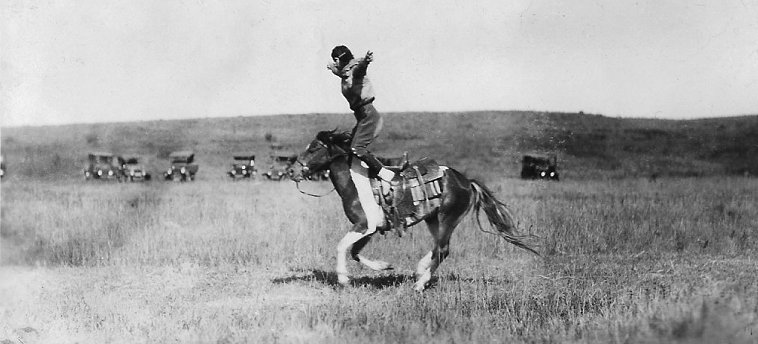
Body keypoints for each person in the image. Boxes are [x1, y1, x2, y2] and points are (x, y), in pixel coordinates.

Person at [327, 45, 396, 234]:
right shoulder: (342, 71)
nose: (334, 62)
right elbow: (337, 70)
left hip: (369, 116)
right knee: (350, 150)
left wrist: (366, 60)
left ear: (344, 58)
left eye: (336, 58)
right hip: (360, 116)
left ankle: (385, 175)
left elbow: (360, 69)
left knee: (358, 149)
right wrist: (332, 66)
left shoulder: (355, 69)